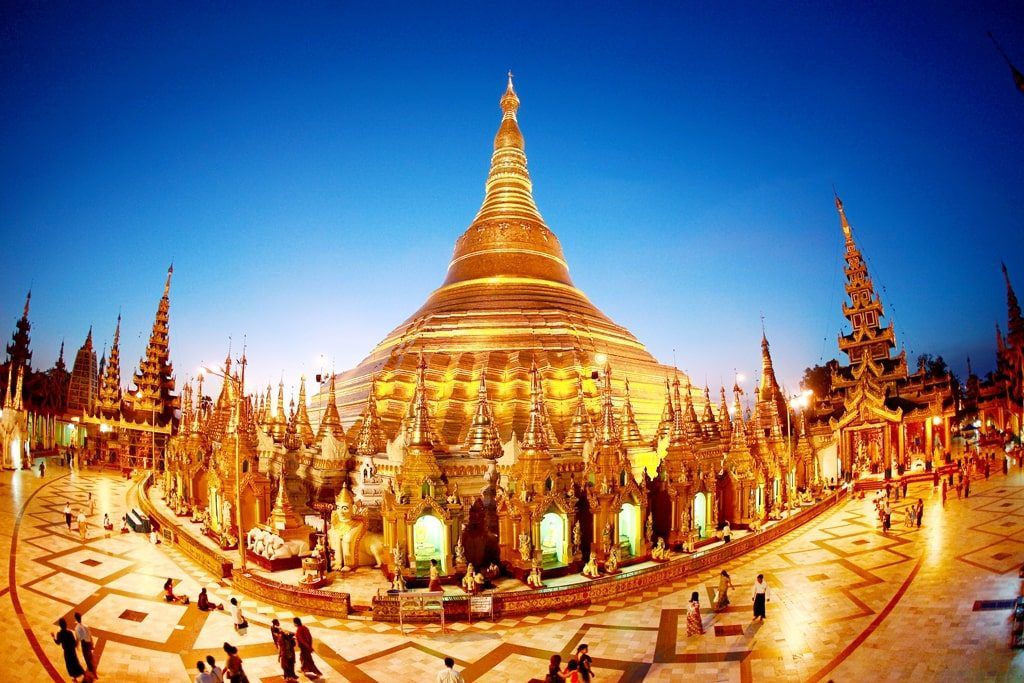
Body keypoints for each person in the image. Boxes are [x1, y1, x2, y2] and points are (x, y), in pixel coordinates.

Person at [52, 617, 85, 682]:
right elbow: (74, 642)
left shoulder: (59, 634)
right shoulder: (69, 632)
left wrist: (53, 637)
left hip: (67, 652)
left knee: (70, 665)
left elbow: (58, 643)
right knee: (76, 662)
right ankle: (84, 673)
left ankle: (75, 678)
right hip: (72, 650)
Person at [74, 611, 95, 676]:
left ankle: (93, 672)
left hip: (84, 644)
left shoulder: (76, 628)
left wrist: (77, 646)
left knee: (86, 658)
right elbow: (90, 635)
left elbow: (77, 638)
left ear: (75, 619)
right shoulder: (86, 626)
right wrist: (92, 643)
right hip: (88, 642)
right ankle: (93, 666)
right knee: (90, 655)